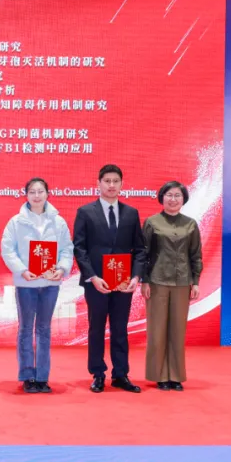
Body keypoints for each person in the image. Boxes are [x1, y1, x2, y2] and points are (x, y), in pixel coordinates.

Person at [72, 164, 147, 394]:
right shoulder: (85, 212)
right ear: (98, 184)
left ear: (122, 184)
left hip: (123, 283)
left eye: (116, 181)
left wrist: (136, 276)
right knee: (96, 328)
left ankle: (121, 374)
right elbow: (79, 248)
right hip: (96, 283)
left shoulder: (131, 213)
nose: (111, 185)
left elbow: (140, 249)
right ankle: (98, 374)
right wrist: (92, 277)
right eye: (107, 181)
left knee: (120, 328)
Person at [0, 177, 74, 394]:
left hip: (50, 283)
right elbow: (8, 250)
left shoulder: (58, 222)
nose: (37, 196)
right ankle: (27, 376)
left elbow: (67, 249)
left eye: (40, 191)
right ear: (26, 195)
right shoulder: (16, 222)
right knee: (25, 329)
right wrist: (22, 270)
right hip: (26, 283)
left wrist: (61, 269)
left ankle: (42, 376)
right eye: (32, 192)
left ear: (47, 194)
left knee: (44, 329)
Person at [141, 181, 203, 392]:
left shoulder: (191, 224)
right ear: (162, 197)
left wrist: (196, 281)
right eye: (169, 195)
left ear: (183, 199)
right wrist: (144, 280)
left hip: (182, 282)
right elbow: (144, 254)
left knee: (177, 331)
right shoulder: (152, 222)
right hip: (157, 281)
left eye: (177, 195)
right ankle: (159, 375)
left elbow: (195, 255)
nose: (173, 199)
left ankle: (175, 376)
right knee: (157, 331)